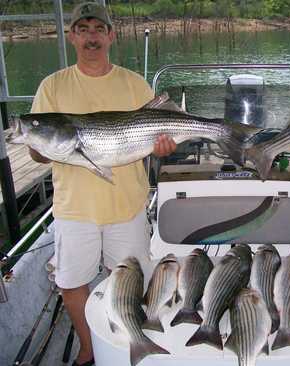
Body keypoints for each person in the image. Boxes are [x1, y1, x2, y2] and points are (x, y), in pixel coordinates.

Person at [28, 3, 177, 366]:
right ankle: (88, 346)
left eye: (98, 29)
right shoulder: (53, 87)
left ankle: (127, 339)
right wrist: (45, 148)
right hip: (74, 208)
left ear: (110, 35)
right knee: (70, 283)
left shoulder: (133, 83)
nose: (91, 36)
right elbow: (36, 153)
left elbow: (156, 143)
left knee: (130, 279)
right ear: (72, 36)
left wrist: (164, 149)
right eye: (83, 29)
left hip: (125, 205)